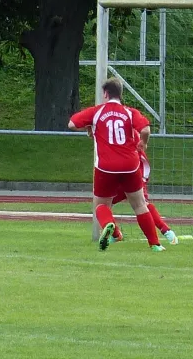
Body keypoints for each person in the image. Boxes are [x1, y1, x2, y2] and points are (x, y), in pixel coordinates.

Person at [68, 77, 165, 252]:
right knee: (140, 204)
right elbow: (146, 129)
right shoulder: (129, 112)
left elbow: (72, 123)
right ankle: (155, 244)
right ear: (120, 94)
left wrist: (90, 127)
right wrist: (143, 142)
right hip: (130, 165)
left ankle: (110, 227)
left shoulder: (96, 112)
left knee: (101, 205)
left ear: (105, 94)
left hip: (106, 166)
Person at [110, 130, 179, 245]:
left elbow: (142, 141)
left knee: (142, 204)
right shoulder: (115, 128)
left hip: (133, 173)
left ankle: (166, 231)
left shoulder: (128, 132)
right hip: (120, 175)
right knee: (104, 204)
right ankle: (116, 234)